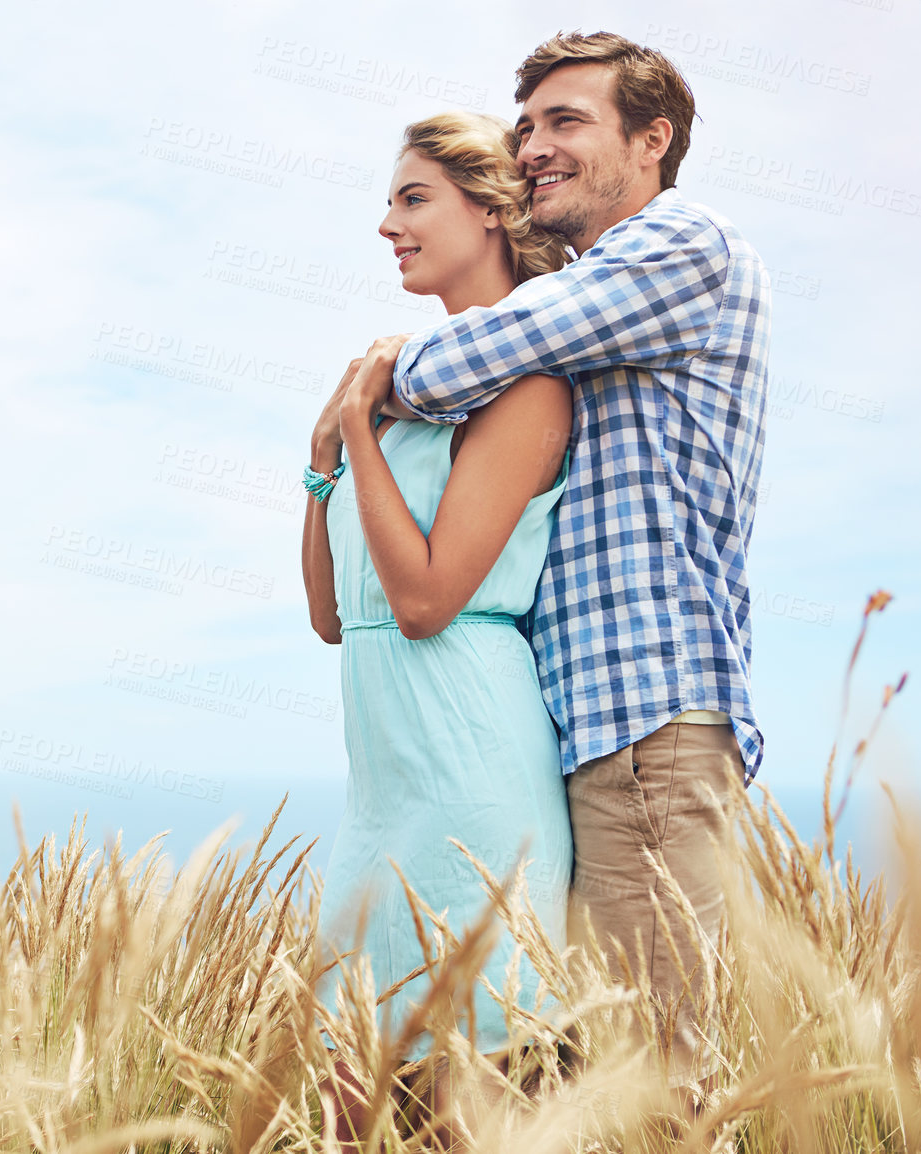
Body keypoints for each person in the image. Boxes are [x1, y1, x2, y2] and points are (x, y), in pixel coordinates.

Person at [373, 31, 771, 1092]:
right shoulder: (595, 294)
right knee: (576, 1070)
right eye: (527, 126)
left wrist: (378, 375)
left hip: (645, 722)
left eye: (566, 122)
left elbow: (479, 349)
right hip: (586, 732)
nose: (534, 147)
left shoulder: (682, 242)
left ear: (653, 139)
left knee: (654, 1077)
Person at [302, 108, 576, 1148]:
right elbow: (335, 613)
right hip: (382, 788)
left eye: (411, 198)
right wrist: (320, 451)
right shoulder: (412, 376)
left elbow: (422, 599)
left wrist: (361, 434)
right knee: (350, 1109)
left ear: (493, 211)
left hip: (469, 764)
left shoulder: (526, 383)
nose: (385, 224)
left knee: (460, 1099)